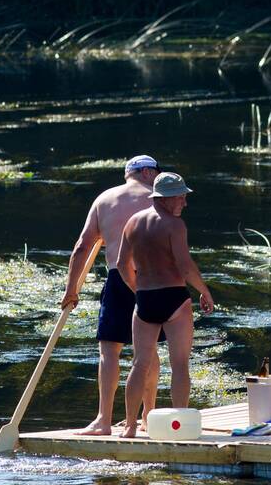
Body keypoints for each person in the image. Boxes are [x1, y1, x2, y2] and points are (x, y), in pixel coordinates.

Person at [60, 155, 161, 437]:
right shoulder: (159, 197)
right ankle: (147, 417)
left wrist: (72, 290)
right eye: (155, 172)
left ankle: (104, 420)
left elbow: (82, 246)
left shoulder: (105, 199)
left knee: (109, 351)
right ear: (146, 172)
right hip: (153, 278)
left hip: (118, 275)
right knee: (148, 350)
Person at [117, 172, 215, 438]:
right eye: (181, 197)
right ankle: (179, 423)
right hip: (174, 298)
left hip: (146, 299)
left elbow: (121, 265)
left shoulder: (133, 223)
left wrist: (136, 289)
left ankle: (129, 426)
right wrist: (204, 291)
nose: (184, 202)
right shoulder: (174, 226)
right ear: (166, 198)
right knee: (180, 363)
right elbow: (184, 265)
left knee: (140, 364)